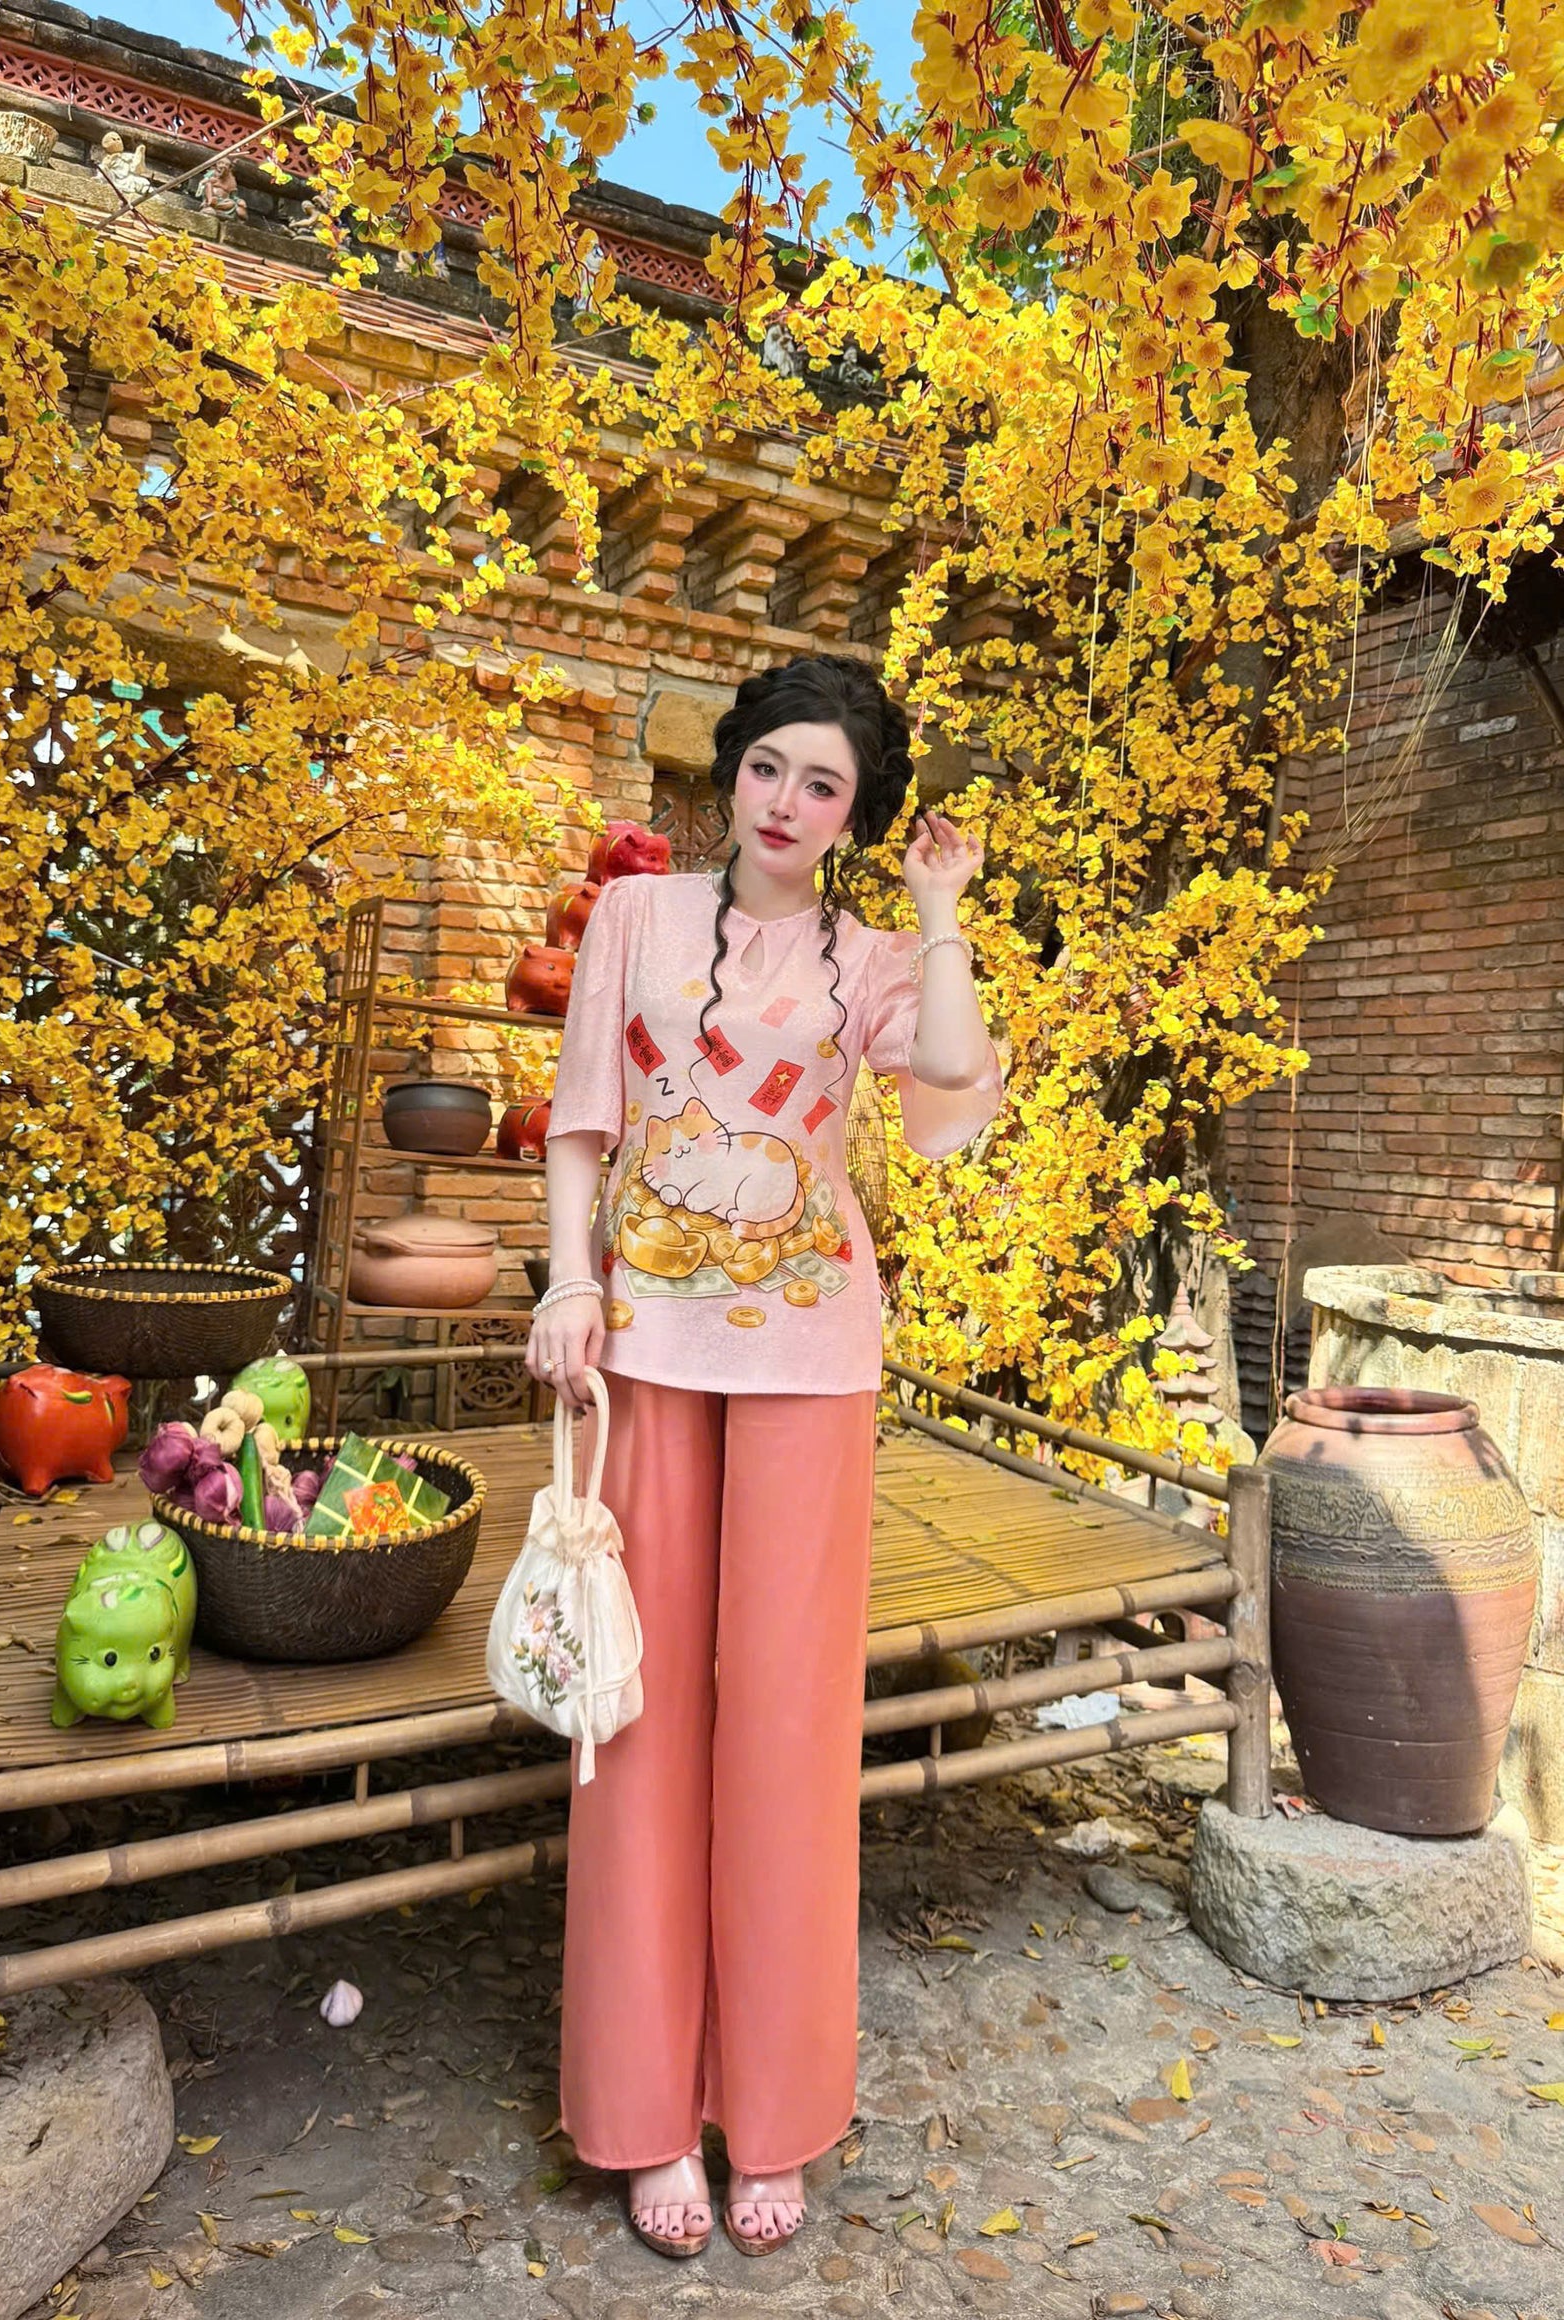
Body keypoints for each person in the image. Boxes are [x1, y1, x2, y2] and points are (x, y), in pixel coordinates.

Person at [526, 653, 1003, 2258]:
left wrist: (940, 914)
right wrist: (570, 1284)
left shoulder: (876, 957)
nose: (790, 803)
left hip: (811, 1358)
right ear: (728, 774)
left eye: (826, 785)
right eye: (769, 769)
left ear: (855, 815)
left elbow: (948, 1087)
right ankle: (647, 2111)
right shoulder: (634, 917)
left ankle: (773, 2111)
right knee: (641, 1716)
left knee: (788, 1722)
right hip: (646, 1347)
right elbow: (582, 1119)